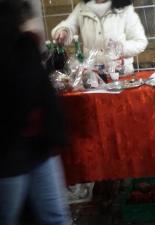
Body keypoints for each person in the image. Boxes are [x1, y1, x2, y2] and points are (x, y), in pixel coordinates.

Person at [0, 1, 71, 225]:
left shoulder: (27, 48)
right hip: (9, 153)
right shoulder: (20, 49)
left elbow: (42, 93)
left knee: (55, 217)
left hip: (39, 147)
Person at [52, 0, 148, 74]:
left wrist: (121, 48)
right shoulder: (81, 8)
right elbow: (69, 25)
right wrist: (64, 31)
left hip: (121, 75)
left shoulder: (125, 9)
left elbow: (140, 42)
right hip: (93, 76)